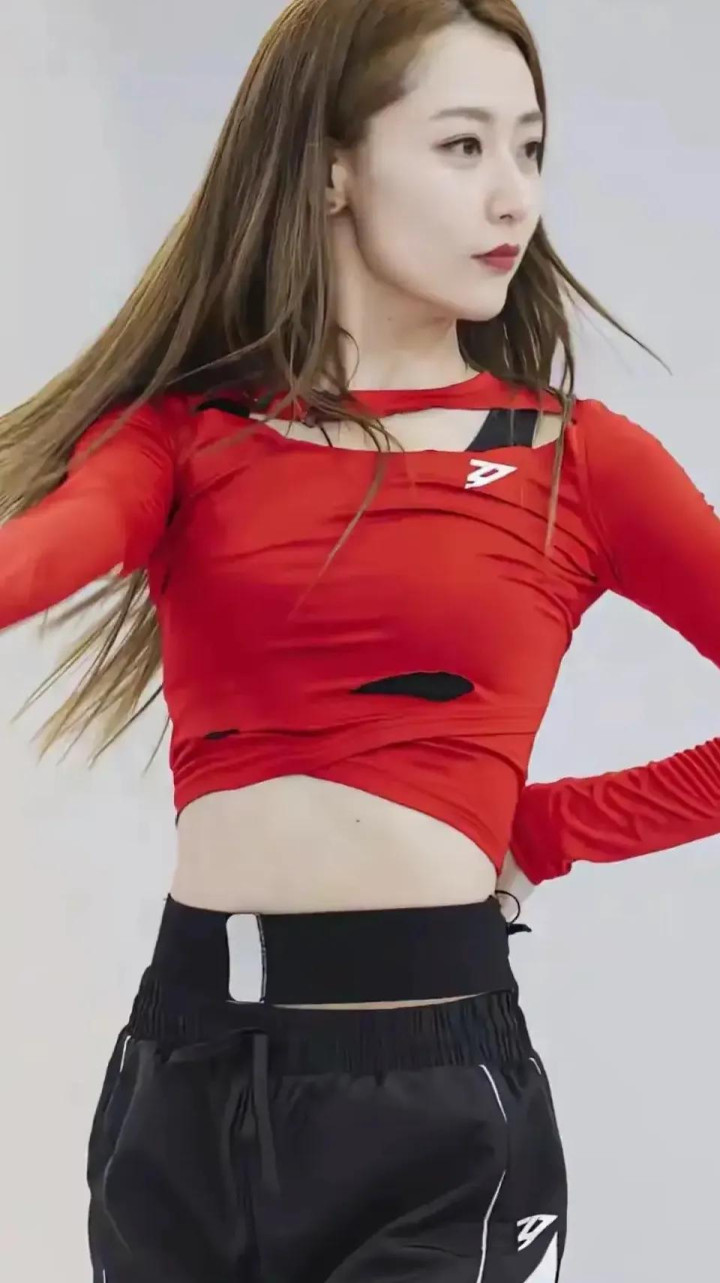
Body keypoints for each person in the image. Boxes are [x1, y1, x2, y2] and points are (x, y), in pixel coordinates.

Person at [1, 1, 718, 1279]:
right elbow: (44, 554)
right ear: (332, 168)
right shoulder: (184, 437)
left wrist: (551, 829)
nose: (513, 195)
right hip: (185, 1077)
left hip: (434, 1103)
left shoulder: (581, 462)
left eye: (530, 148)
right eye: (463, 145)